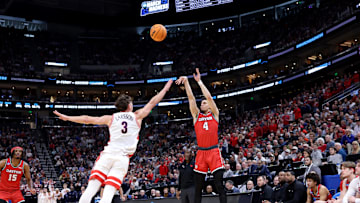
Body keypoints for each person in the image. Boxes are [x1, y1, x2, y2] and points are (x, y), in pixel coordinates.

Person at [54, 80, 173, 203]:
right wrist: (165, 88)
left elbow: (87, 119)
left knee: (90, 189)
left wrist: (67, 117)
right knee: (108, 194)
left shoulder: (111, 118)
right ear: (129, 105)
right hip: (122, 158)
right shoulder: (137, 116)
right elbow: (153, 102)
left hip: (108, 154)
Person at [175, 69, 226, 203]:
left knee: (219, 185)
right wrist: (186, 82)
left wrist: (199, 82)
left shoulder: (214, 114)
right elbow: (191, 98)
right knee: (198, 188)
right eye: (201, 102)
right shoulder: (196, 116)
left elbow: (209, 97)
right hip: (201, 153)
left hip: (214, 151)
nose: (202, 103)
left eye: (204, 102)